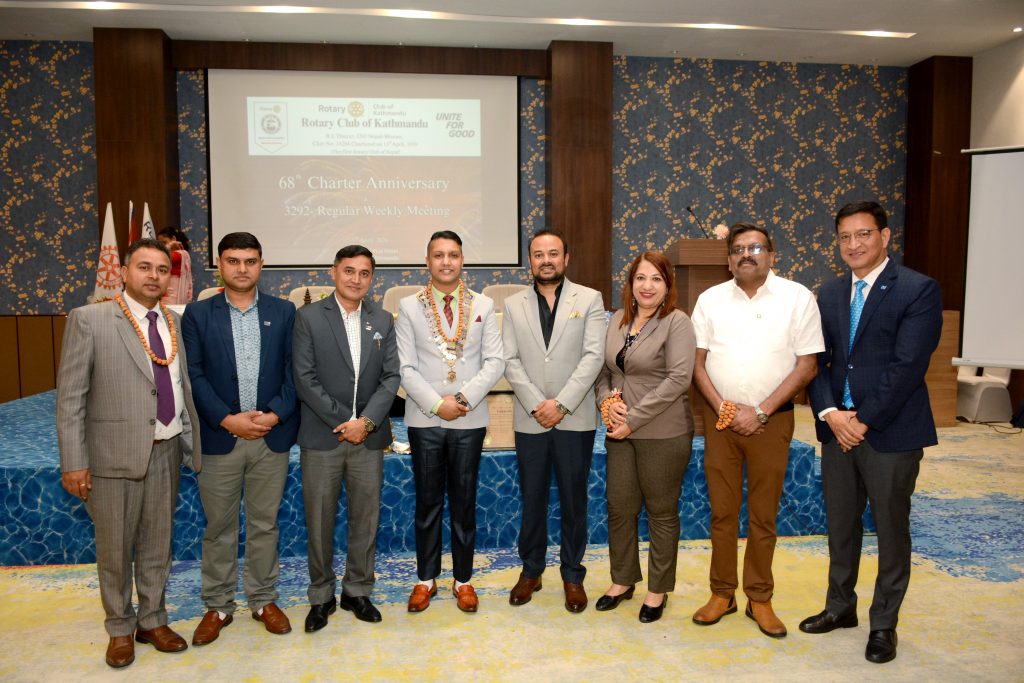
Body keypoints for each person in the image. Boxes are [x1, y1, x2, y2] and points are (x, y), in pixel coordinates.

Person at [801, 201, 942, 664]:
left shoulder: (918, 290)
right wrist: (830, 413)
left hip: (890, 433)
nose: (853, 244)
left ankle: (884, 623)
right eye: (845, 236)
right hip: (837, 430)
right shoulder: (829, 293)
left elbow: (907, 366)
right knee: (840, 526)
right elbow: (817, 360)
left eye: (863, 234)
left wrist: (861, 420)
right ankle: (840, 606)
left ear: (884, 237)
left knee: (890, 528)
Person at [56, 238, 201, 668]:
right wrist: (74, 461)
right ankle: (119, 626)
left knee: (158, 543)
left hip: (167, 448)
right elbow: (70, 398)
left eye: (162, 269)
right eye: (144, 267)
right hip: (113, 455)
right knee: (115, 548)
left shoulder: (176, 322)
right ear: (123, 272)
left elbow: (179, 386)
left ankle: (152, 619)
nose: (154, 276)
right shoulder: (90, 320)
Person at [690, 223, 823, 638]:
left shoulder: (797, 298)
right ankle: (722, 593)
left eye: (755, 247)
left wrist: (761, 411)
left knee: (764, 515)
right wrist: (725, 408)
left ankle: (760, 597)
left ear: (772, 255)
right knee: (722, 512)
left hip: (773, 421)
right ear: (728, 259)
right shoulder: (710, 300)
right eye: (737, 249)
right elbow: (697, 363)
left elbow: (807, 365)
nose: (746, 254)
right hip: (721, 422)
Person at [181, 232, 299, 645]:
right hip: (220, 437)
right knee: (219, 527)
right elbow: (193, 374)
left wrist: (274, 414)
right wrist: (227, 419)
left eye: (250, 261)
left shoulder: (284, 312)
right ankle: (218, 604)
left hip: (270, 436)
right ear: (219, 264)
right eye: (233, 260)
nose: (242, 268)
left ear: (261, 264)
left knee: (265, 524)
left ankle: (263, 599)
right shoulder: (197, 314)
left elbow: (294, 371)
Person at [292, 245, 400, 631]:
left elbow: (391, 376)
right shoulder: (307, 317)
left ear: (372, 278)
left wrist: (366, 422)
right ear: (334, 272)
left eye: (364, 273)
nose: (356, 279)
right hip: (324, 436)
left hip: (368, 438)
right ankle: (321, 595)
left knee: (365, 519)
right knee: (319, 520)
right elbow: (304, 378)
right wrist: (346, 421)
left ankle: (357, 590)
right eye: (349, 271)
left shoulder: (383, 319)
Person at [396, 230, 504, 613]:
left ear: (462, 260)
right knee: (427, 503)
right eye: (438, 255)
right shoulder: (409, 306)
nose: (446, 262)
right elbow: (404, 367)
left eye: (453, 255)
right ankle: (426, 579)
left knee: (464, 503)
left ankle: (463, 580)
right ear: (427, 261)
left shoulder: (483, 305)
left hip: (468, 418)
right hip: (424, 419)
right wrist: (435, 404)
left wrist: (460, 400)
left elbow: (495, 361)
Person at [501, 229, 606, 613]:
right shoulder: (512, 304)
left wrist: (561, 404)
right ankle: (531, 570)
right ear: (530, 260)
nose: (546, 260)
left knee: (574, 499)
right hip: (530, 419)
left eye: (553, 253)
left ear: (566, 258)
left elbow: (593, 356)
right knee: (532, 498)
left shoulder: (590, 299)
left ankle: (572, 574)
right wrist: (536, 404)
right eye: (538, 254)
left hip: (574, 418)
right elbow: (509, 359)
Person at [593, 250, 696, 623]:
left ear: (668, 285)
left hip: (663, 432)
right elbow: (604, 372)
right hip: (618, 431)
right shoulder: (618, 320)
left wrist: (632, 419)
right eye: (640, 278)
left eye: (656, 278)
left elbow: (678, 379)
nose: (647, 286)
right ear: (630, 283)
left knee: (661, 512)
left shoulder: (677, 323)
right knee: (619, 507)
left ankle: (657, 590)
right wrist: (606, 403)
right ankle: (622, 581)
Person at [157, 226, 193, 305]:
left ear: (173, 239)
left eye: (164, 242)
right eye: (160, 244)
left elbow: (158, 260)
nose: (162, 246)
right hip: (165, 294)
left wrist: (168, 247)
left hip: (172, 298)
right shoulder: (177, 254)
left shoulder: (178, 255)